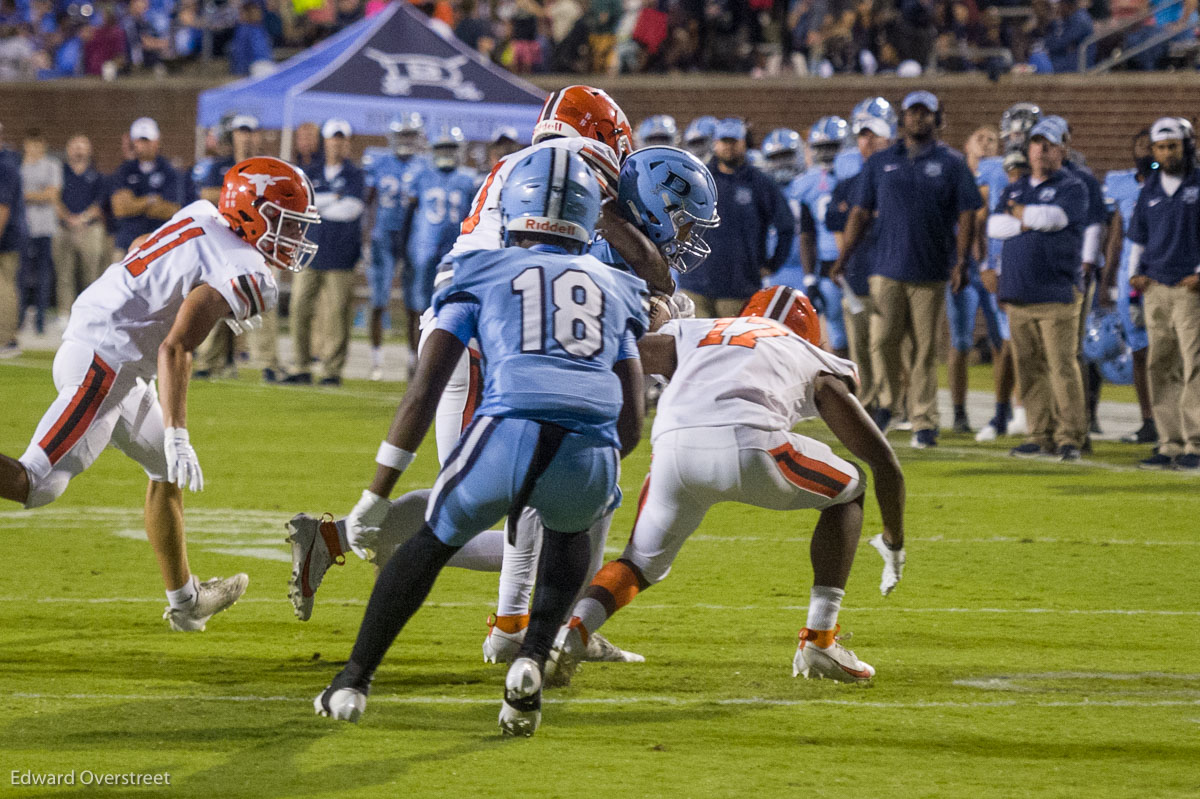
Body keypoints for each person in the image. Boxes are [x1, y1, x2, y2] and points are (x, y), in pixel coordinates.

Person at [311, 148, 649, 738]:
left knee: (429, 544)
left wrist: (378, 492)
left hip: (510, 427)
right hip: (592, 444)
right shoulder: (617, 286)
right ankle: (529, 662)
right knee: (570, 537)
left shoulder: (480, 269)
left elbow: (423, 391)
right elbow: (633, 419)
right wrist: (594, 467)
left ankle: (353, 681)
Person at [0, 156, 320, 629]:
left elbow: (138, 244)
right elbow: (176, 348)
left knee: (165, 468)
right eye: (285, 224)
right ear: (252, 213)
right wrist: (177, 430)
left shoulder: (202, 213)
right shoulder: (247, 269)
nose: (293, 238)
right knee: (37, 483)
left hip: (112, 355)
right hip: (104, 362)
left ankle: (187, 603)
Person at [549, 285, 906, 685]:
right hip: (755, 447)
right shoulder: (807, 351)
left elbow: (625, 352)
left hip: (673, 448)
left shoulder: (697, 330)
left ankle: (570, 636)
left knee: (637, 563)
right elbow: (882, 460)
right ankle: (820, 641)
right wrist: (894, 540)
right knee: (851, 488)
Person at [833, 91, 982, 448]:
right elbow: (860, 213)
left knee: (924, 350)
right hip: (885, 267)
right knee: (881, 342)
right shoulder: (881, 161)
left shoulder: (951, 162)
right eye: (913, 113)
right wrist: (844, 258)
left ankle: (924, 421)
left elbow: (967, 213)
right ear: (902, 118)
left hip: (930, 271)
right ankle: (888, 404)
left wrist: (961, 261)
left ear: (937, 118)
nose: (918, 119)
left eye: (925, 113)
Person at [984, 118, 1089, 462]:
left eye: (1049, 144)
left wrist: (1021, 217)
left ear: (1062, 149)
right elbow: (996, 226)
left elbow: (1056, 219)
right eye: (1036, 144)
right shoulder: (1015, 188)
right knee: (1029, 369)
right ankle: (1039, 433)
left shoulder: (1073, 186)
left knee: (1062, 367)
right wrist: (1028, 217)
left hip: (1057, 290)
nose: (1041, 150)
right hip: (1019, 293)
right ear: (1027, 149)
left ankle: (1071, 436)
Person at [1126, 117, 1200, 471]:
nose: (1168, 153)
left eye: (1173, 146)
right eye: (1161, 147)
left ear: (1186, 145)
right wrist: (1134, 275)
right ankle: (1169, 442)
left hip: (1190, 288)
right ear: (1153, 151)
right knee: (1160, 366)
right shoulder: (1151, 188)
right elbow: (1138, 238)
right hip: (1155, 286)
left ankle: (1196, 444)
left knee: (1194, 366)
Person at [677, 117, 794, 318]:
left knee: (735, 348)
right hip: (695, 284)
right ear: (715, 143)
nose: (728, 147)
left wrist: (772, 265)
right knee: (696, 347)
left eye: (734, 141)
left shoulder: (760, 184)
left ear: (744, 143)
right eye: (724, 141)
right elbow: (680, 219)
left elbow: (786, 226)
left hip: (739, 287)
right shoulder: (698, 179)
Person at [193, 114, 279, 381]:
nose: (245, 137)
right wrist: (244, 197)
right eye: (241, 132)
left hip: (254, 244)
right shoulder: (217, 166)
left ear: (257, 136)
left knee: (261, 300)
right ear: (233, 136)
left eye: (249, 132)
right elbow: (204, 195)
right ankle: (209, 360)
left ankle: (268, 363)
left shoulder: (266, 169)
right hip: (222, 243)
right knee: (216, 299)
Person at [975, 102, 1041, 442]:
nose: (1017, 139)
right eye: (1013, 133)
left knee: (1033, 346)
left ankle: (1025, 412)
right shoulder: (990, 168)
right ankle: (1004, 413)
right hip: (1001, 264)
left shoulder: (1048, 170)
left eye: (1023, 133)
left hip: (1037, 262)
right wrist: (984, 263)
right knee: (1007, 343)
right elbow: (977, 217)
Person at [285, 118, 366, 387]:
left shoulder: (355, 175)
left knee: (336, 314)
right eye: (333, 138)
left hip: (341, 254)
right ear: (326, 141)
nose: (336, 144)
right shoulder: (311, 170)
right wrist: (334, 199)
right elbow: (300, 205)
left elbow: (351, 209)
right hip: (310, 252)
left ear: (347, 143)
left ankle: (331, 369)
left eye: (341, 139)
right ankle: (302, 365)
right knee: (299, 308)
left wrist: (318, 205)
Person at [826, 111, 896, 414]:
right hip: (858, 272)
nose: (868, 142)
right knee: (861, 346)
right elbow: (836, 222)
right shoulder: (848, 184)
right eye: (864, 136)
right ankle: (867, 403)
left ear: (888, 139)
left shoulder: (898, 178)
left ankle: (896, 405)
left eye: (874, 136)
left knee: (890, 345)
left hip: (892, 270)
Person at [396, 127, 478, 350]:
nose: (446, 153)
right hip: (422, 248)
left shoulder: (467, 179)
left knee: (452, 306)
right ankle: (415, 356)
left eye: (450, 148)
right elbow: (408, 215)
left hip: (455, 252)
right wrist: (403, 250)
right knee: (419, 306)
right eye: (441, 149)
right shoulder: (421, 176)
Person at [946, 125, 1005, 434]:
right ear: (967, 144)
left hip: (994, 267)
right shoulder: (956, 175)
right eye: (979, 137)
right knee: (960, 342)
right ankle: (958, 412)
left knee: (1001, 341)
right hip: (965, 268)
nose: (986, 142)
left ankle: (1003, 410)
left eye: (992, 138)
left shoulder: (1005, 176)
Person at [1101, 128, 1157, 445]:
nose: (1147, 150)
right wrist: (1107, 277)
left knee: (1175, 353)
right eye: (1141, 144)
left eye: (1153, 145)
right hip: (1130, 278)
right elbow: (1116, 234)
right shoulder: (1120, 183)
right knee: (1139, 350)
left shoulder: (1178, 185)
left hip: (1166, 275)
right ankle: (1149, 420)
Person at [363, 112, 427, 381]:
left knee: (416, 303)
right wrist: (365, 237)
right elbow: (368, 202)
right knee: (379, 300)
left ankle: (414, 362)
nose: (406, 140)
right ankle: (376, 361)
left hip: (413, 238)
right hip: (384, 237)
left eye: (410, 135)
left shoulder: (425, 166)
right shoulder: (378, 162)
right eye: (402, 135)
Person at [792, 116, 850, 358]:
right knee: (837, 333)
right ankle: (848, 388)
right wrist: (809, 277)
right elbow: (807, 234)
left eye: (832, 146)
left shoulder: (860, 173)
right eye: (822, 147)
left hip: (860, 260)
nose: (827, 153)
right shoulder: (807, 183)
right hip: (828, 263)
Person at [110, 117, 182, 266]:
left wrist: (134, 204)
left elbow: (172, 210)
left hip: (161, 244)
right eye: (139, 140)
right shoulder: (124, 170)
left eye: (147, 140)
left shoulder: (170, 171)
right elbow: (120, 209)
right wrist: (151, 200)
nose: (143, 145)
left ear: (157, 142)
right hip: (127, 243)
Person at [53, 134, 106, 317]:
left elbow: (100, 204)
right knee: (64, 274)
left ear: (89, 150)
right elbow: (54, 198)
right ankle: (64, 313)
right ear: (68, 150)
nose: (79, 149)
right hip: (63, 228)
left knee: (90, 274)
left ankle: (88, 313)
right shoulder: (60, 172)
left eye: (83, 145)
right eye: (75, 145)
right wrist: (67, 218)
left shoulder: (97, 175)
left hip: (89, 229)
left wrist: (81, 218)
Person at [18, 128, 59, 336]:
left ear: (43, 145)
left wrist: (25, 194)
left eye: (38, 144)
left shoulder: (51, 165)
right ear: (26, 145)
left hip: (44, 227)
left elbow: (51, 195)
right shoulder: (19, 166)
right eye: (31, 144)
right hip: (23, 228)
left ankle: (41, 320)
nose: (34, 148)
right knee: (21, 273)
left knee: (43, 274)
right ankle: (19, 318)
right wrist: (37, 193)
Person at [0, 145, 23, 357]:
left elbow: (2, 208)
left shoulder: (4, 166)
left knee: (4, 286)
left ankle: (7, 340)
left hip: (6, 240)